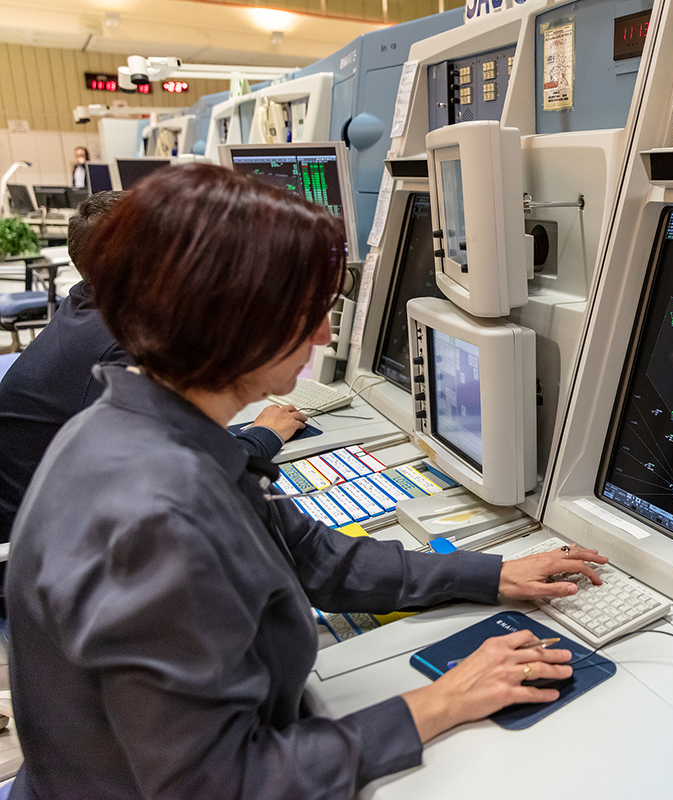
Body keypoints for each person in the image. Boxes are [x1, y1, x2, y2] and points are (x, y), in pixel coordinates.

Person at [6, 164, 606, 799]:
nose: (324, 335)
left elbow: (311, 555)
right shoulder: (158, 518)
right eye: (308, 312)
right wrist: (439, 703)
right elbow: (222, 786)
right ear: (232, 322)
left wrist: (492, 575)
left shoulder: (141, 421)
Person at [0, 190, 307, 616]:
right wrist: (262, 437)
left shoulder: (87, 304)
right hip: (56, 565)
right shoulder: (121, 348)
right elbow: (178, 472)